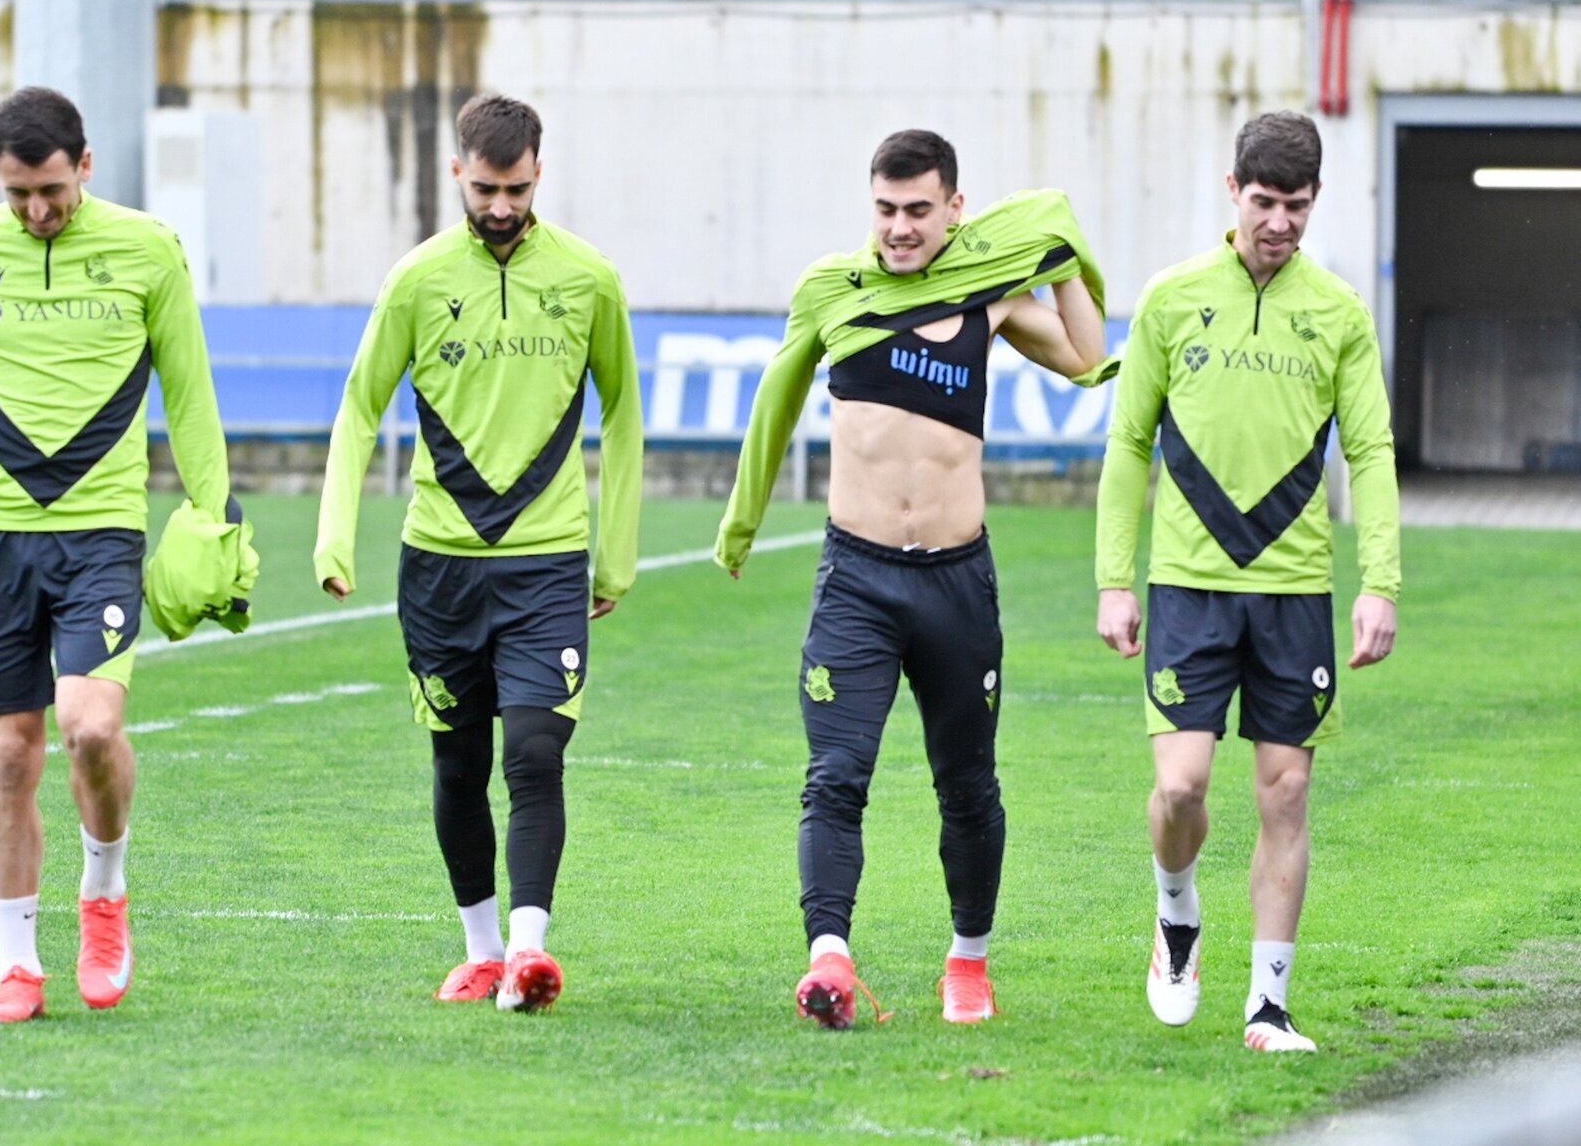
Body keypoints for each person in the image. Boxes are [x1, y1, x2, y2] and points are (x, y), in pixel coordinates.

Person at [717, 129, 1115, 1028]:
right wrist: (740, 525)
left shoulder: (989, 292)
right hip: (855, 579)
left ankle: (967, 964)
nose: (898, 228)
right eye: (885, 210)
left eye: (917, 211)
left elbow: (1088, 359)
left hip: (955, 585)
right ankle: (828, 961)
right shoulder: (831, 289)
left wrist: (1060, 256)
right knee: (834, 776)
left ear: (954, 209)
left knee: (967, 786)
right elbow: (775, 399)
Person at [0, 86, 233, 1023]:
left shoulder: (149, 248)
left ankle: (104, 892)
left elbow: (189, 391)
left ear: (84, 165)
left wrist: (216, 518)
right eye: (17, 194)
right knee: (9, 753)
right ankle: (18, 969)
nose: (37, 211)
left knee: (88, 727)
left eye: (50, 189)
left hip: (101, 530)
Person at [315, 93, 643, 1012]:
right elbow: (358, 407)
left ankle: (530, 955)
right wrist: (335, 537)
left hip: (547, 563)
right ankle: (483, 951)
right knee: (457, 766)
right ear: (457, 171)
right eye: (486, 189)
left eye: (518, 189)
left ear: (540, 173)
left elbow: (623, 413)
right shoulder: (416, 280)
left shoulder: (588, 278)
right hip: (439, 567)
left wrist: (614, 556)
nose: (501, 207)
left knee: (534, 752)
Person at [1094, 110, 1400, 1053]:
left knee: (1285, 790)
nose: (1278, 222)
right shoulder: (1171, 297)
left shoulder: (1338, 313)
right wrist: (1113, 579)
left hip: (1294, 590)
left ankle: (1266, 1006)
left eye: (1295, 205)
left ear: (1315, 200)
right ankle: (1175, 911)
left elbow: (1370, 450)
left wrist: (1379, 582)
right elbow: (1128, 441)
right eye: (1263, 201)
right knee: (1180, 788)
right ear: (1232, 191)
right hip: (1187, 584)